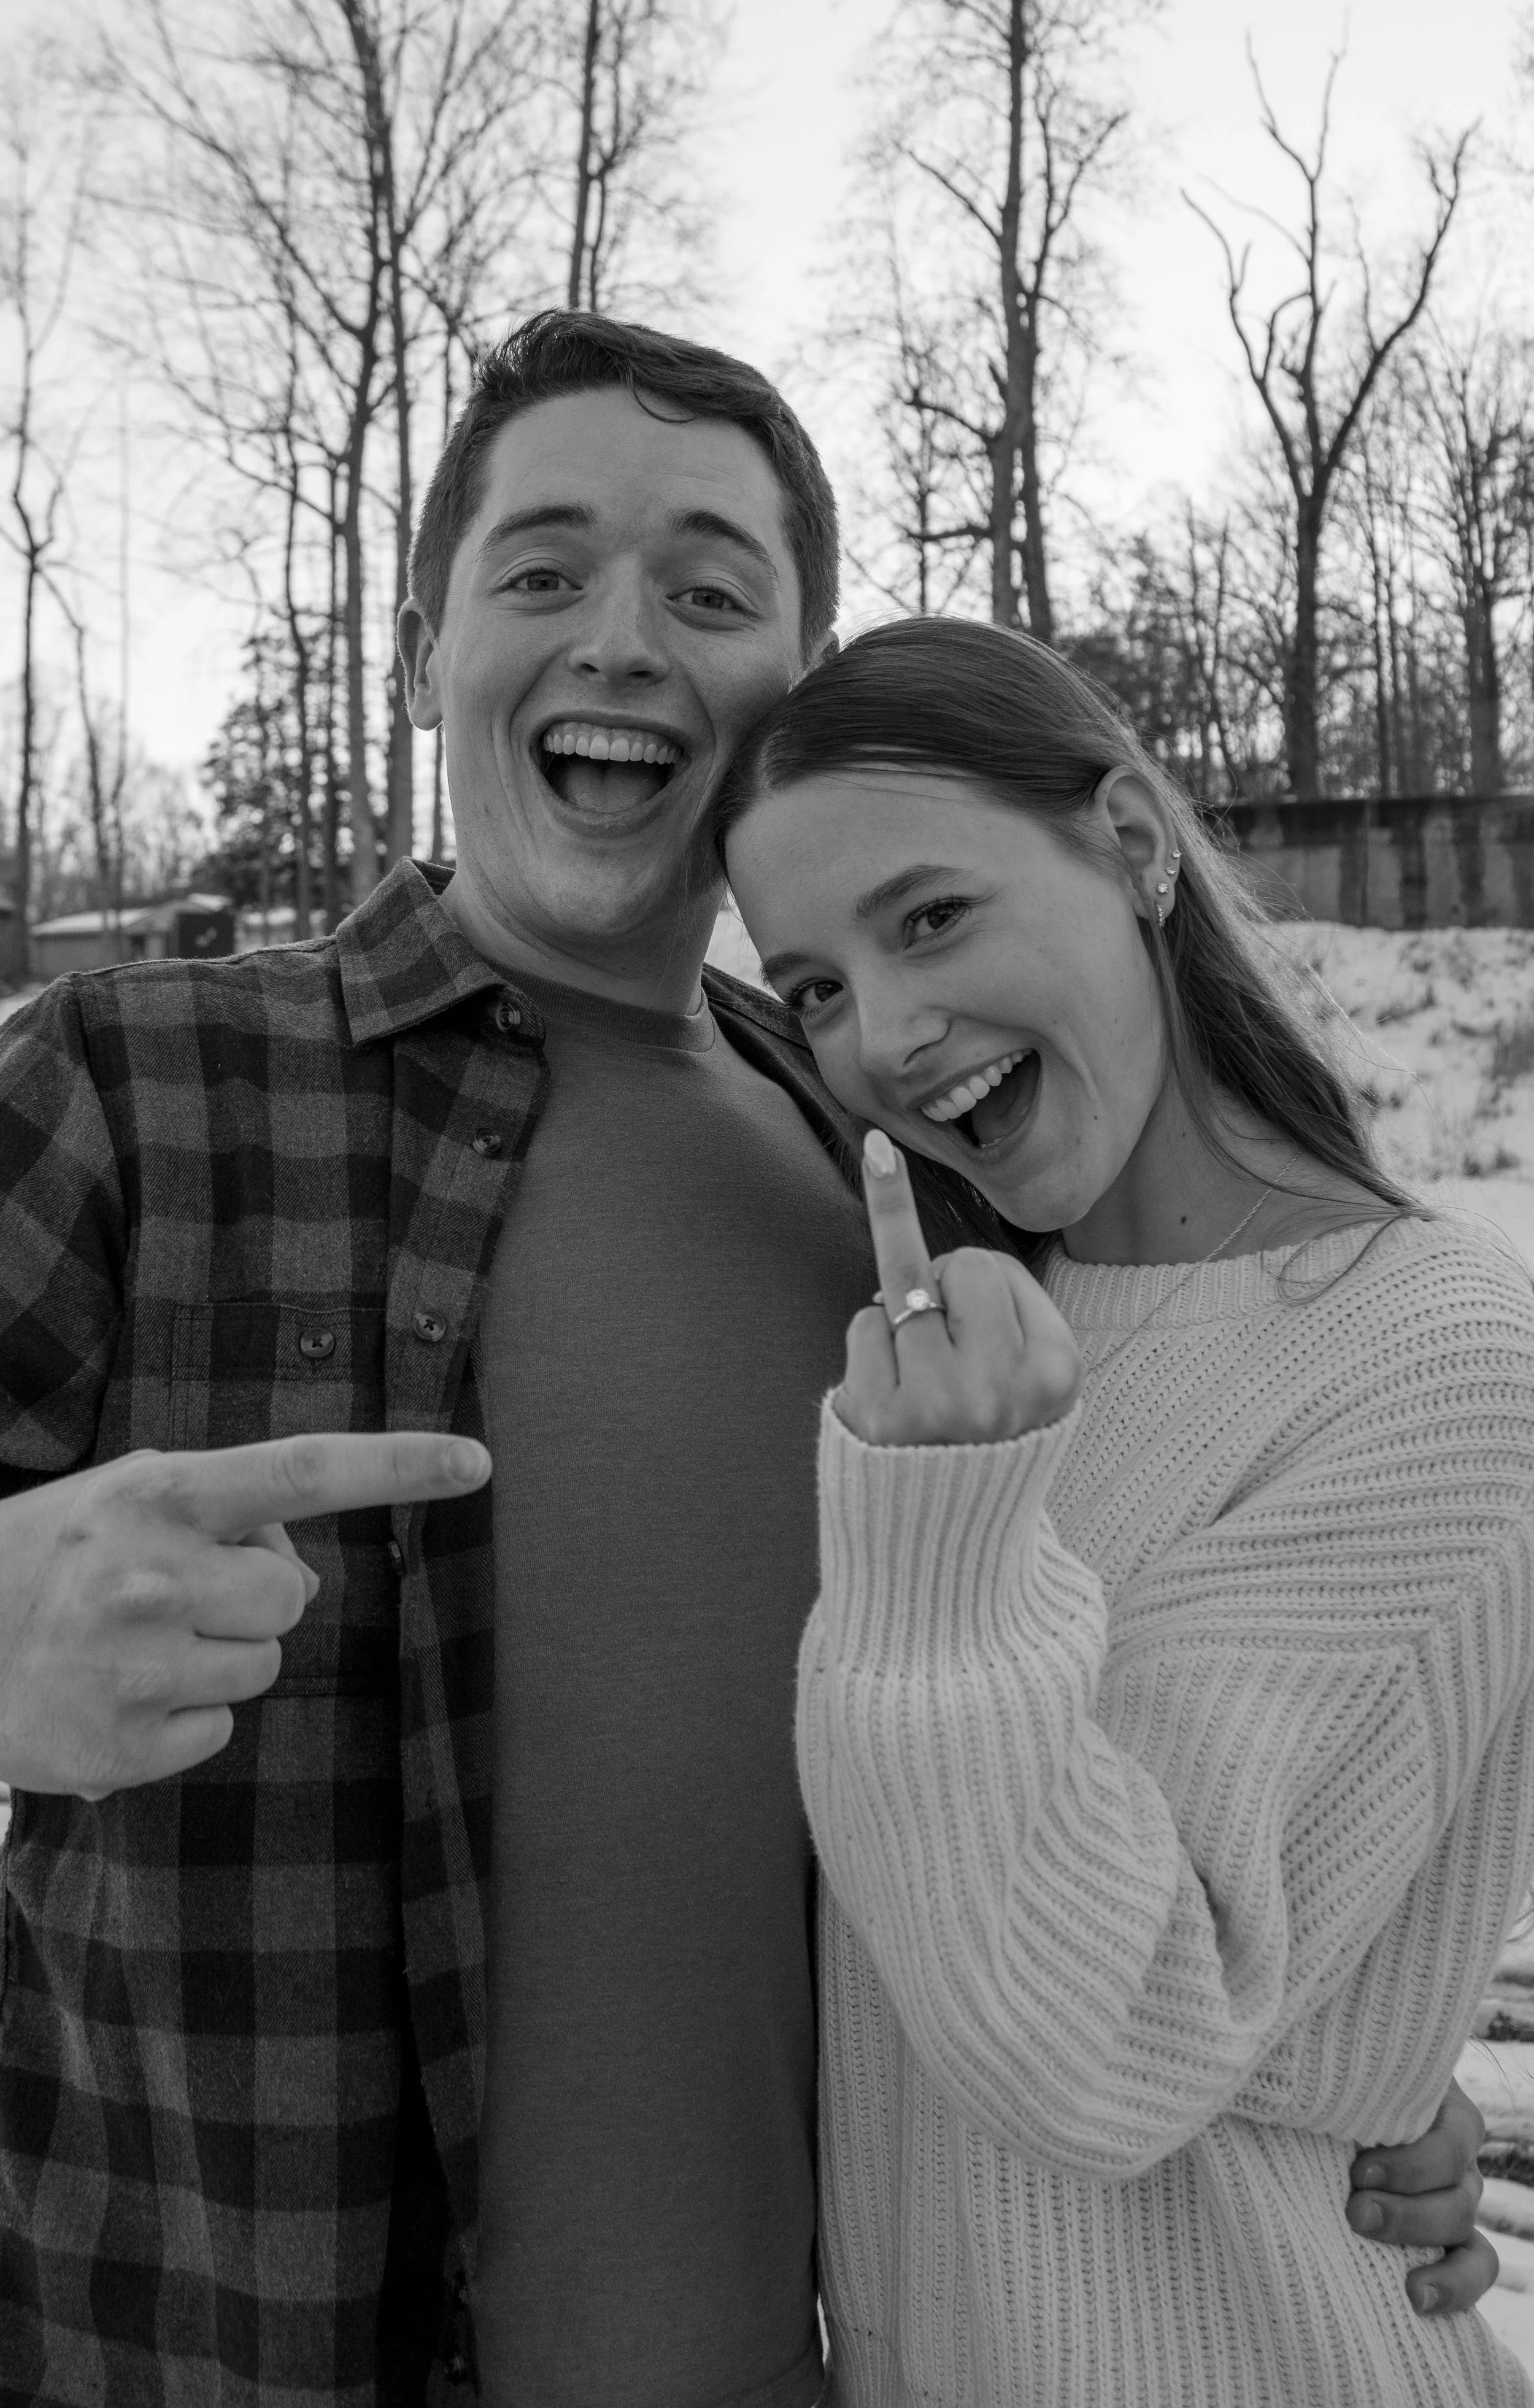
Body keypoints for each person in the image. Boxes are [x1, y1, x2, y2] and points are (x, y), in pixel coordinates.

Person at [0, 320, 1495, 2407]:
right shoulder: (135, 1088)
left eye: (707, 593)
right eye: (541, 574)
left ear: (780, 688)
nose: (620, 639)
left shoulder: (921, 1191)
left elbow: (1076, 1785)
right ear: (427, 634)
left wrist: (1333, 2083)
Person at [718, 614, 1534, 2407]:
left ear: (1134, 845)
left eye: (929, 918)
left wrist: (939, 1546)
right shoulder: (980, 1343)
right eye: (818, 987)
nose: (886, 1034)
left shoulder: (1437, 1362)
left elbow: (1095, 2038)